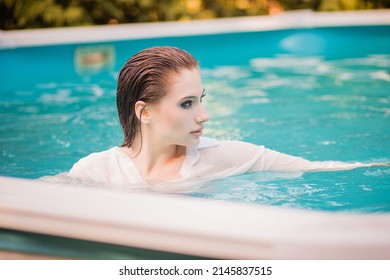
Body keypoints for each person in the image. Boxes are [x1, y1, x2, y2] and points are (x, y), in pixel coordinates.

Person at [68, 46, 387, 189]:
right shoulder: (94, 171)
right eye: (187, 103)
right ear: (145, 112)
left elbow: (321, 170)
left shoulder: (223, 157)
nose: (204, 116)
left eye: (201, 100)